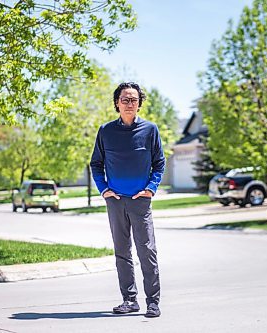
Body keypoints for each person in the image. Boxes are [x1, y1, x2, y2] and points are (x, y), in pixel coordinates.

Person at [90, 82, 165, 318]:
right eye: (125, 99)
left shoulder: (150, 130)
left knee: (147, 251)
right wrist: (104, 190)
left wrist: (151, 189)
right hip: (115, 201)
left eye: (133, 99)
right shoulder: (106, 131)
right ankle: (129, 300)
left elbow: (159, 163)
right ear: (117, 103)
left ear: (139, 103)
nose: (129, 103)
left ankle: (153, 302)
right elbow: (96, 163)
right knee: (122, 252)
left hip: (140, 201)